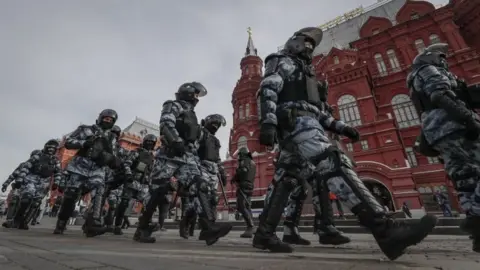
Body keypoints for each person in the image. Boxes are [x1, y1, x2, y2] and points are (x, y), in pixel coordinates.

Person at [254, 26, 437, 260]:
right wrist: (268, 122)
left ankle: (264, 234)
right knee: (333, 162)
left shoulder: (306, 74)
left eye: (312, 45)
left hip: (305, 123)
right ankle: (385, 230)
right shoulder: (281, 61)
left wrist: (341, 127)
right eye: (306, 42)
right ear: (295, 42)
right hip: (296, 123)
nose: (309, 48)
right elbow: (268, 88)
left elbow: (317, 111)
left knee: (285, 181)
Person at [134, 82, 231, 245]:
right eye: (196, 95)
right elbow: (166, 124)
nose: (197, 99)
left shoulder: (193, 116)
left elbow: (198, 140)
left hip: (188, 158)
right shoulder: (173, 105)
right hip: (169, 156)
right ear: (188, 93)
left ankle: (208, 227)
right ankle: (142, 228)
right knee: (159, 190)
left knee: (200, 185)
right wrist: (176, 140)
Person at [408, 43, 480, 252]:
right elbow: (440, 95)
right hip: (453, 125)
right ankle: (476, 221)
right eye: (441, 58)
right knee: (473, 171)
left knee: (464, 178)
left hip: (436, 132)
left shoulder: (414, 77)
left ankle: (477, 229)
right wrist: (468, 118)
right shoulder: (429, 70)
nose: (444, 61)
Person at [53, 109, 120, 236]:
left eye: (111, 120)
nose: (108, 121)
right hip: (79, 167)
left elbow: (114, 155)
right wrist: (84, 143)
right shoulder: (85, 129)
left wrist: (113, 160)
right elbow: (68, 142)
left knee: (99, 194)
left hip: (98, 170)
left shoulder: (112, 137)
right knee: (71, 196)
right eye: (106, 119)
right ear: (100, 118)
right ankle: (61, 223)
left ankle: (93, 224)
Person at [12, 139, 62, 229]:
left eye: (53, 148)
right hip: (32, 179)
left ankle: (25, 222)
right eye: (49, 147)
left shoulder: (56, 160)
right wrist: (20, 179)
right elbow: (26, 167)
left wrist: (56, 183)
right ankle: (17, 219)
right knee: (26, 199)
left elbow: (58, 172)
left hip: (44, 182)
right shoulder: (37, 156)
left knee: (36, 203)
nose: (51, 150)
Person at [114, 134, 157, 235]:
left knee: (148, 204)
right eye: (148, 142)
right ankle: (117, 225)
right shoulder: (136, 152)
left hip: (144, 184)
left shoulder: (152, 157)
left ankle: (145, 225)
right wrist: (128, 174)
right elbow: (127, 163)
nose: (150, 144)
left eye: (152, 143)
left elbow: (152, 171)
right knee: (124, 203)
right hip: (132, 180)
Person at [231, 147, 256, 238]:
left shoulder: (244, 161)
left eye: (239, 155)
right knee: (247, 206)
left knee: (241, 206)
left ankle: (250, 226)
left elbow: (243, 171)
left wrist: (235, 177)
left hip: (243, 186)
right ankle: (252, 227)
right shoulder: (252, 162)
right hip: (250, 186)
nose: (238, 157)